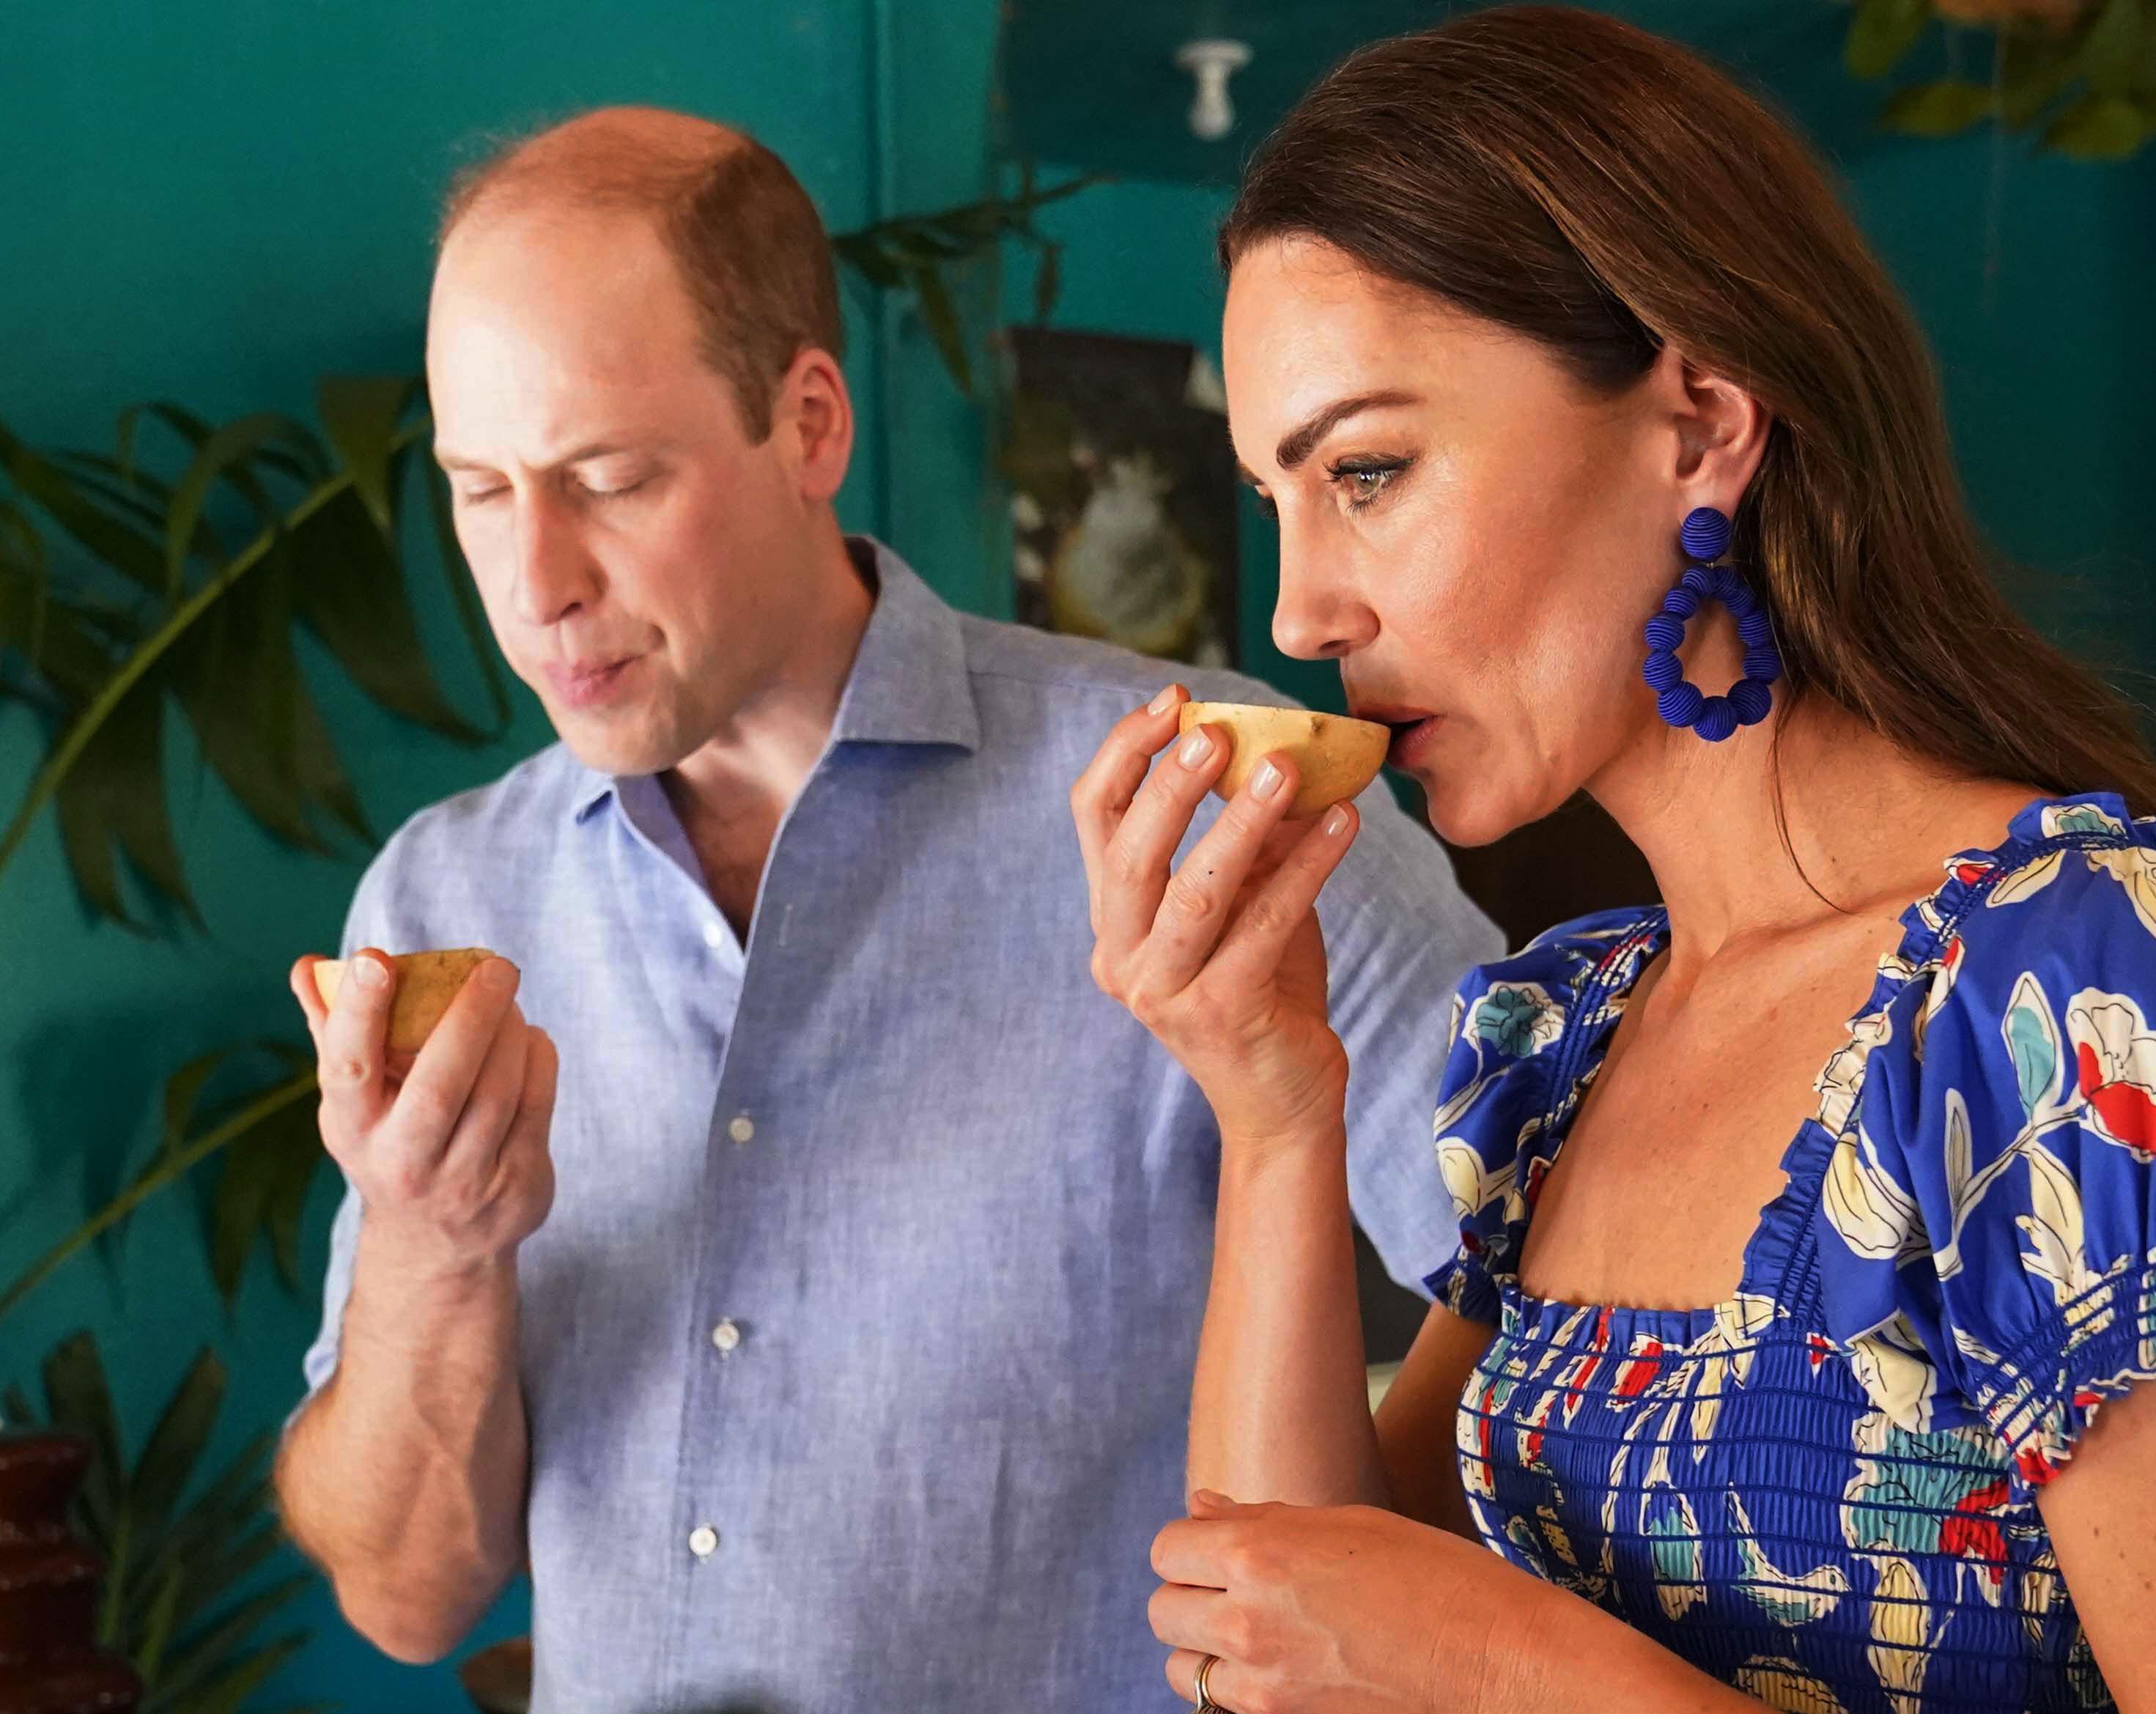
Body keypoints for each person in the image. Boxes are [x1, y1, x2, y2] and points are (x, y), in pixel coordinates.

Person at [1074, 11, 2156, 1713]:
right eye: (1276, 501)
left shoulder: (2103, 1026)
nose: (1300, 615)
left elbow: (1442, 1651)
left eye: (1368, 473)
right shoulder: (1578, 1041)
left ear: (1695, 423)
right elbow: (1284, 1632)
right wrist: (1271, 1102)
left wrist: (1517, 1667)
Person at [270, 106, 1500, 1713]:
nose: (538, 580)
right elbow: (408, 1600)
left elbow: (1581, 1312)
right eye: (480, 490)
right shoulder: (446, 893)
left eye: (610, 478)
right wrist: (432, 1250)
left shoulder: (1202, 798)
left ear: (808, 424)